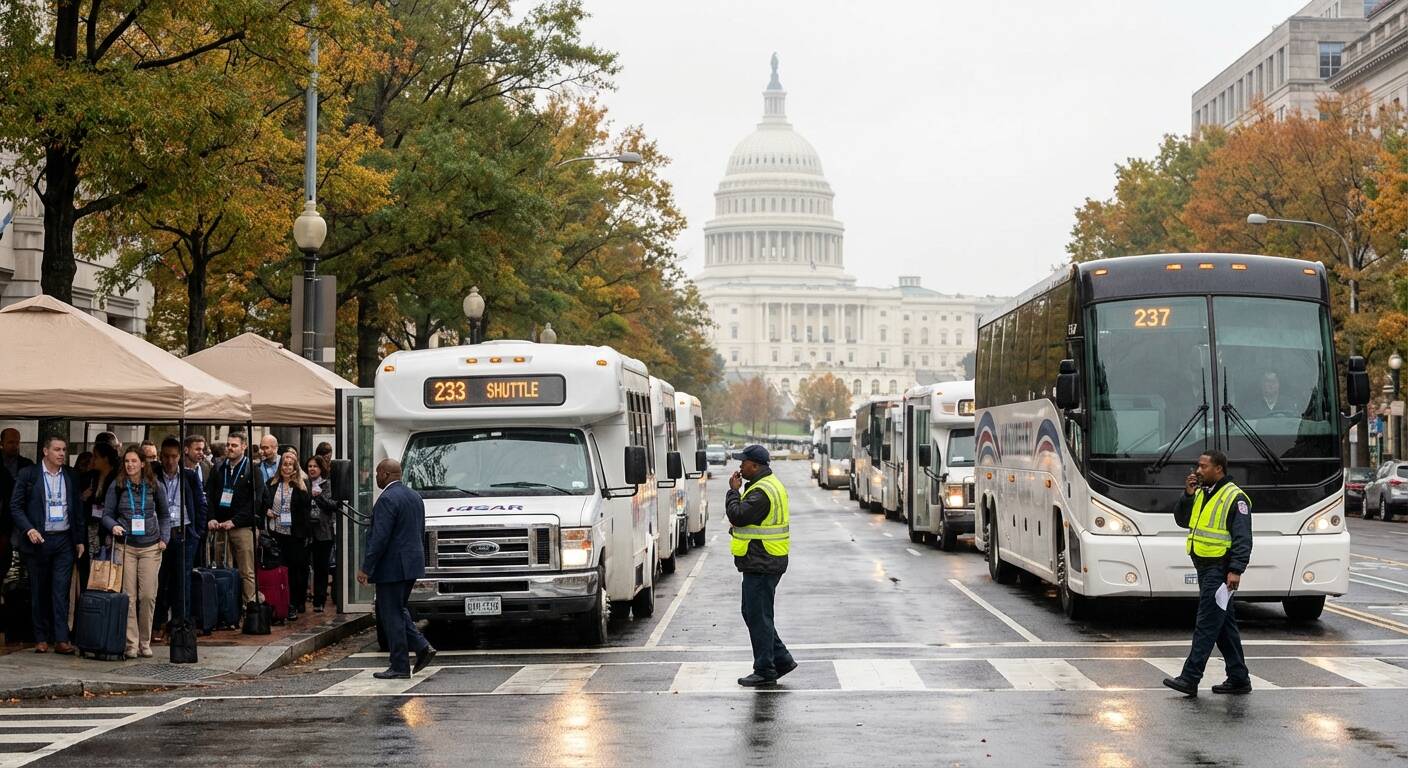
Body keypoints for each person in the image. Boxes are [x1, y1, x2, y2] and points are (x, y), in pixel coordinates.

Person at [1162, 449, 1254, 696]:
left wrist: (1236, 570)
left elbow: (1243, 538)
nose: (1198, 470)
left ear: (1218, 469)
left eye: (1203, 466)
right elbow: (1183, 520)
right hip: (1204, 567)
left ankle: (1190, 677)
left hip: (1219, 569)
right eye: (1198, 466)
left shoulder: (1235, 497)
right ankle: (1238, 677)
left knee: (1206, 624)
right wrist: (1188, 495)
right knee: (1224, 626)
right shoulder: (1203, 493)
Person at [725, 444, 795, 687]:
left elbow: (739, 516)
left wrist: (732, 492)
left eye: (743, 463)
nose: (740, 467)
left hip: (763, 561)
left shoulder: (762, 491)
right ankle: (781, 659)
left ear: (755, 465)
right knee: (754, 613)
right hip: (763, 559)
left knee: (758, 616)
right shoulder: (763, 485)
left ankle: (765, 669)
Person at [358, 459, 434, 679]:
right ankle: (422, 647)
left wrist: (366, 567)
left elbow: (379, 538)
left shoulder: (387, 499)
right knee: (397, 610)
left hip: (392, 568)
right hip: (411, 564)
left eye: (377, 473)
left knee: (390, 615)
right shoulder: (415, 497)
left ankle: (400, 665)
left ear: (385, 474)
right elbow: (419, 532)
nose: (375, 477)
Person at [8, 436, 83, 654]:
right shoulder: (29, 474)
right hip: (38, 540)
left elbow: (77, 509)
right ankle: (40, 637)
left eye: (64, 450)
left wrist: (79, 539)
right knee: (39, 590)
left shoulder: (70, 475)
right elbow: (15, 507)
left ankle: (61, 638)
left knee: (60, 590)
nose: (62, 454)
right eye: (57, 450)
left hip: (64, 540)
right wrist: (28, 529)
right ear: (45, 451)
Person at [103, 445, 170, 659]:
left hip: (150, 546)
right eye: (126, 461)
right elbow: (106, 515)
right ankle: (131, 644)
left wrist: (164, 538)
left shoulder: (154, 485)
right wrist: (113, 525)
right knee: (129, 597)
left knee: (148, 595)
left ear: (143, 463)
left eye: (134, 461)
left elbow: (165, 515)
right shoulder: (117, 485)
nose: (130, 465)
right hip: (126, 546)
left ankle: (145, 641)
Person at [152, 438, 207, 642]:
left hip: (184, 532)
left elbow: (201, 504)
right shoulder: (154, 476)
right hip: (161, 534)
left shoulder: (190, 477)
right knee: (160, 579)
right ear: (160, 455)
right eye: (165, 456)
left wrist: (197, 532)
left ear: (180, 456)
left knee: (182, 581)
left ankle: (180, 624)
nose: (169, 461)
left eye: (174, 456)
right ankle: (158, 623)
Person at [206, 433, 258, 608]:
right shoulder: (219, 468)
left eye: (234, 445)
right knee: (222, 567)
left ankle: (249, 605)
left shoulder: (252, 468)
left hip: (241, 527)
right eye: (228, 445)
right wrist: (212, 517)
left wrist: (235, 521)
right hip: (220, 526)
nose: (230, 448)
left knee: (246, 570)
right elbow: (209, 496)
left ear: (244, 447)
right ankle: (226, 608)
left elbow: (256, 501)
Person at [263, 450, 310, 622]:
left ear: (295, 467)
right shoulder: (271, 483)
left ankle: (296, 602)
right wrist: (267, 511)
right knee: (280, 568)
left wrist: (298, 483)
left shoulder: (302, 485)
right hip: (276, 532)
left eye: (290, 465)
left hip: (295, 534)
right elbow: (265, 503)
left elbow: (306, 510)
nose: (287, 468)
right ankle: (282, 601)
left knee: (295, 570)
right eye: (284, 464)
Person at [78, 441, 121, 591]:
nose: (92, 461)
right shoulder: (91, 476)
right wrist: (83, 497)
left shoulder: (117, 478)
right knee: (91, 562)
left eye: (96, 457)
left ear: (106, 459)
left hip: (110, 528)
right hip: (92, 527)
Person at [0, 427, 34, 592]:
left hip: (22, 518)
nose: (14, 446)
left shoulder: (27, 465)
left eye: (17, 442)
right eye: (10, 442)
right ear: (2, 443)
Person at [306, 454, 337, 613]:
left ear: (321, 468)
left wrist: (319, 497)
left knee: (321, 567)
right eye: (310, 466)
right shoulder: (303, 483)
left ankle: (319, 600)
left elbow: (333, 505)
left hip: (323, 532)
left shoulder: (327, 485)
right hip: (306, 531)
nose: (312, 469)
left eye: (315, 466)